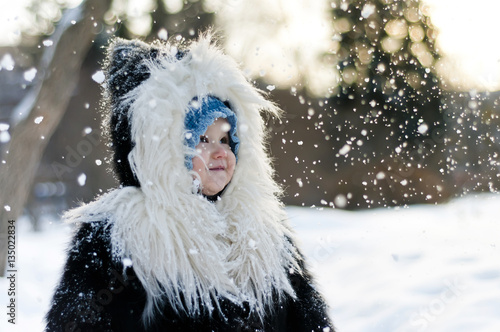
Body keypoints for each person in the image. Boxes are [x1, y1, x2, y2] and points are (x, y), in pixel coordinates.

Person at [45, 33, 334, 332]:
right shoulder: (120, 237)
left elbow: (311, 323)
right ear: (164, 152)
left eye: (226, 138)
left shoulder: (268, 237)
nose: (221, 151)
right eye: (202, 140)